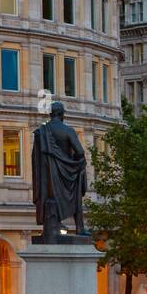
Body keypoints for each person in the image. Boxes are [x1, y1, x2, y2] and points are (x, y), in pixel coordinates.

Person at [32, 102, 90, 240]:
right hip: (67, 172)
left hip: (48, 176)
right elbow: (80, 152)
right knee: (76, 196)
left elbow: (36, 158)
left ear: (51, 114)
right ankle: (80, 228)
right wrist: (74, 164)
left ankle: (51, 227)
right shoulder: (68, 130)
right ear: (61, 114)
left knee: (50, 198)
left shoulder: (41, 132)